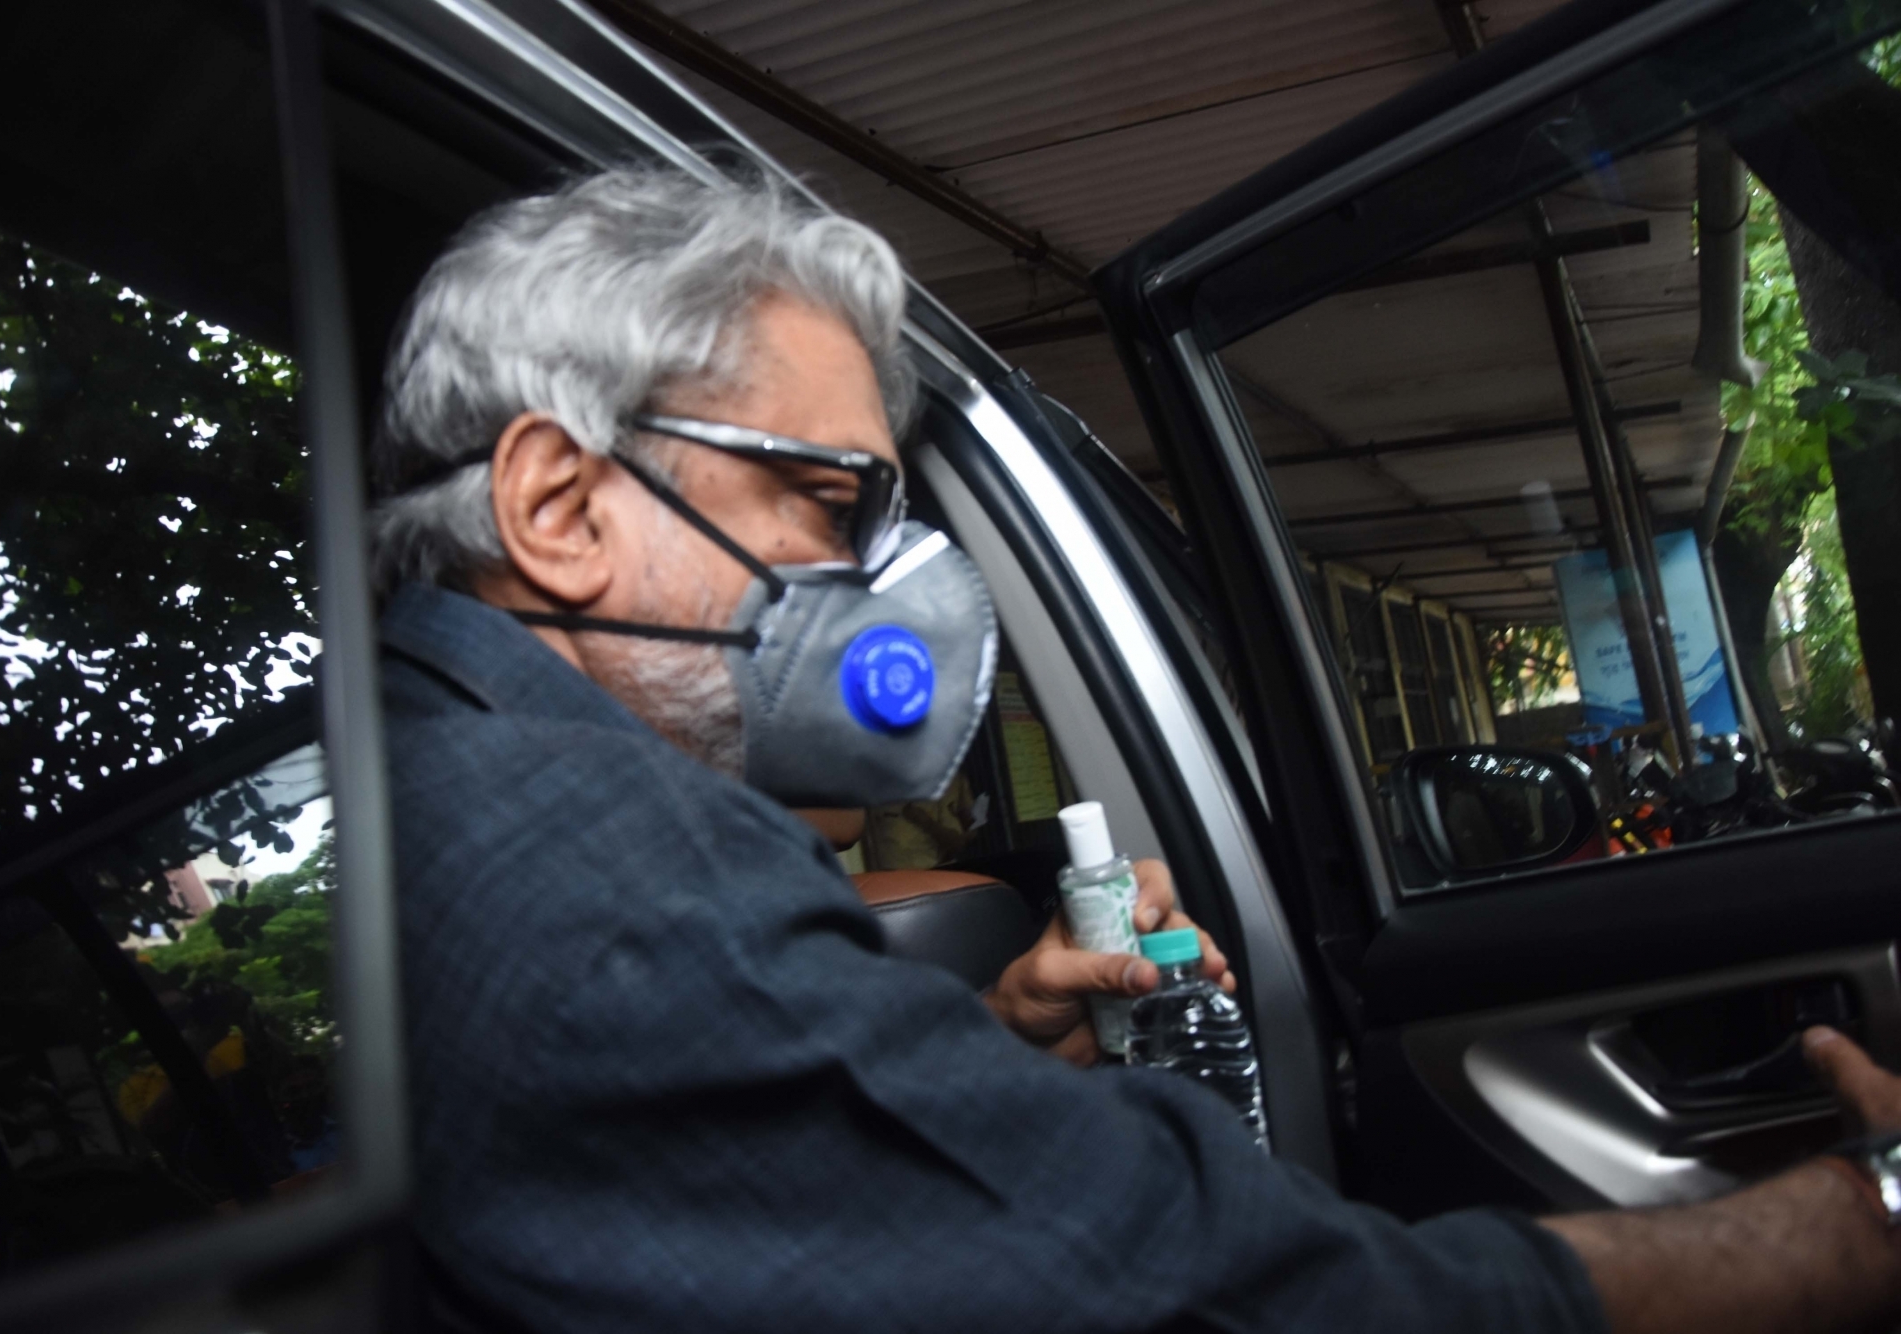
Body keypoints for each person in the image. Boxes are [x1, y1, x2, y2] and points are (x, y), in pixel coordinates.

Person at [367, 166, 1901, 1334]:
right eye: (835, 508)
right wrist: (1860, 1220)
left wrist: (990, 1039)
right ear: (559, 507)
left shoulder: (447, 783)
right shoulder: (628, 881)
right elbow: (1240, 1300)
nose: (882, 595)